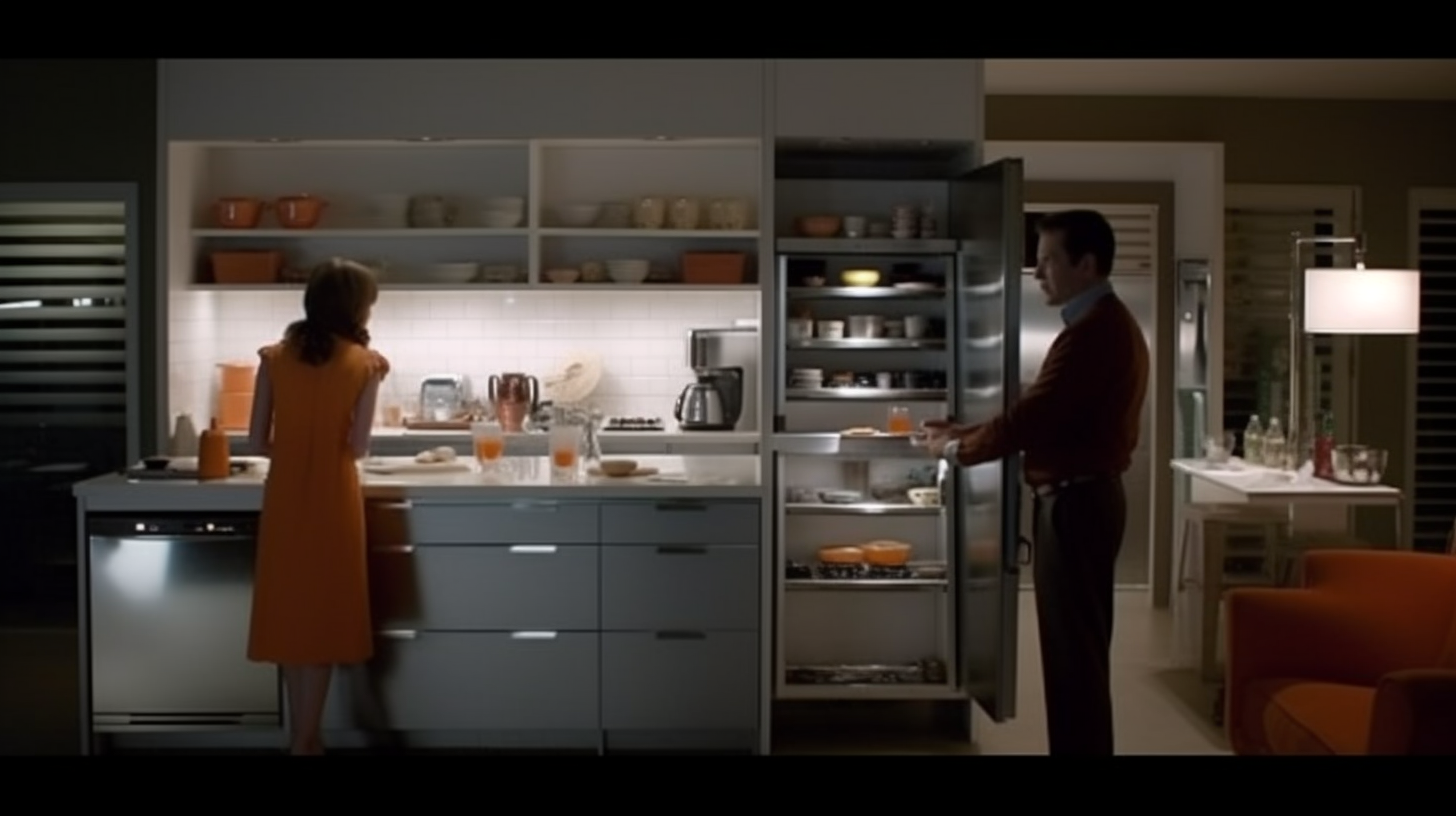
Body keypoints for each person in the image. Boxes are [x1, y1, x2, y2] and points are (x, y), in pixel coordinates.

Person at [921, 209, 1148, 756]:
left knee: (1074, 659)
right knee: (1077, 654)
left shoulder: (1094, 333)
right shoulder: (1098, 324)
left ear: (1086, 264)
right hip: (1081, 500)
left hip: (1078, 506)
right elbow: (1048, 413)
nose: (1038, 272)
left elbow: (1032, 420)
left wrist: (956, 447)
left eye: (1048, 261)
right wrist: (966, 430)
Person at [246, 258, 390, 755]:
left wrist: (293, 449)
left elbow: (255, 441)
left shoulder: (274, 357)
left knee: (290, 613)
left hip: (285, 496)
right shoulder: (367, 364)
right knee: (324, 616)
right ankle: (310, 738)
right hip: (333, 497)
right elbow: (359, 445)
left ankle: (298, 738)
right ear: (356, 308)